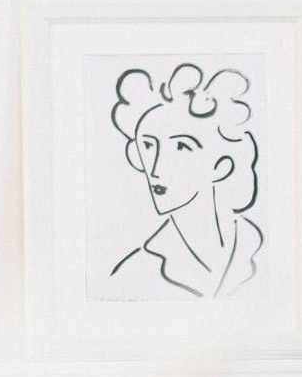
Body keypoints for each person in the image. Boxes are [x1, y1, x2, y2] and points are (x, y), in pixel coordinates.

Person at [109, 62, 264, 297]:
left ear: (221, 166)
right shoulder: (134, 273)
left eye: (182, 146)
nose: (156, 167)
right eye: (148, 145)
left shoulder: (262, 248)